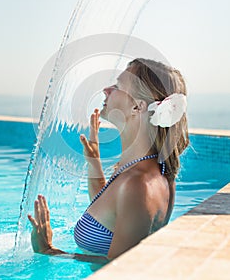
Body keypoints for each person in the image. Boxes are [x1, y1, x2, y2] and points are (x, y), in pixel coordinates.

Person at [28, 58, 189, 264]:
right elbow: (110, 213)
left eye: (118, 86)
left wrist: (49, 251)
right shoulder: (145, 169)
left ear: (137, 107)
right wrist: (94, 163)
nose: (106, 90)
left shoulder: (138, 184)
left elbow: (120, 266)